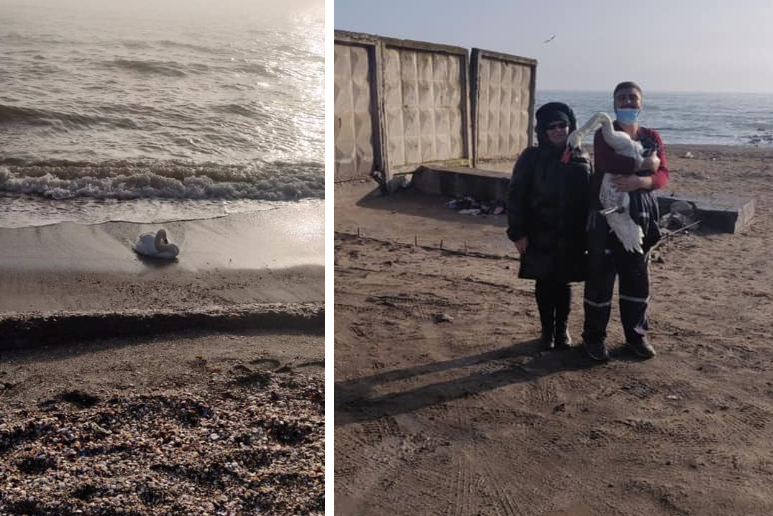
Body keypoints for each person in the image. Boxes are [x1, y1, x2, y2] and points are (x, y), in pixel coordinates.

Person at [582, 81, 669, 361]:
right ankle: (594, 339)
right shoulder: (604, 135)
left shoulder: (651, 136)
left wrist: (641, 180)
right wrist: (646, 164)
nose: (628, 102)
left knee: (636, 278)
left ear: (641, 103)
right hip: (605, 216)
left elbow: (663, 175)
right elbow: (608, 163)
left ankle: (636, 336)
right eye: (623, 98)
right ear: (614, 104)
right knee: (600, 280)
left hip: (640, 215)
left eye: (633, 98)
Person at [507, 102, 591, 350]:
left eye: (562, 125)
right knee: (544, 281)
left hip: (572, 234)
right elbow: (515, 195)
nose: (557, 130)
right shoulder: (530, 157)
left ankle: (562, 329)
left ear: (570, 126)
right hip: (539, 231)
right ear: (542, 130)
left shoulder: (582, 156)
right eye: (551, 126)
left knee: (564, 282)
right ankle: (546, 331)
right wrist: (518, 233)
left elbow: (591, 197)